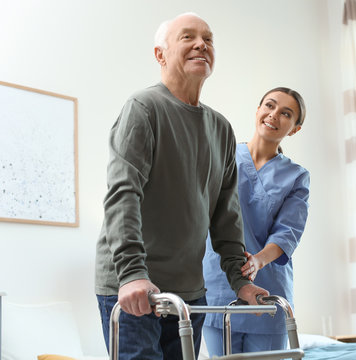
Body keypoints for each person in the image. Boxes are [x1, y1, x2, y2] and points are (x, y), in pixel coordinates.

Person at [94, 12, 268, 360]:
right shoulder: (144, 108)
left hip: (188, 292)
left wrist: (240, 280)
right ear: (160, 54)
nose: (201, 44)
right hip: (134, 286)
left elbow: (225, 215)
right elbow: (122, 195)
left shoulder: (220, 128)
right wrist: (131, 274)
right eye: (187, 37)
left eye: (208, 38)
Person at [202, 87, 310, 355]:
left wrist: (257, 261)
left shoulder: (297, 177)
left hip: (268, 288)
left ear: (294, 128)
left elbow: (287, 233)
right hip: (218, 284)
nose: (274, 115)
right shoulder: (222, 157)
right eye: (269, 106)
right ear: (258, 110)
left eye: (286, 113)